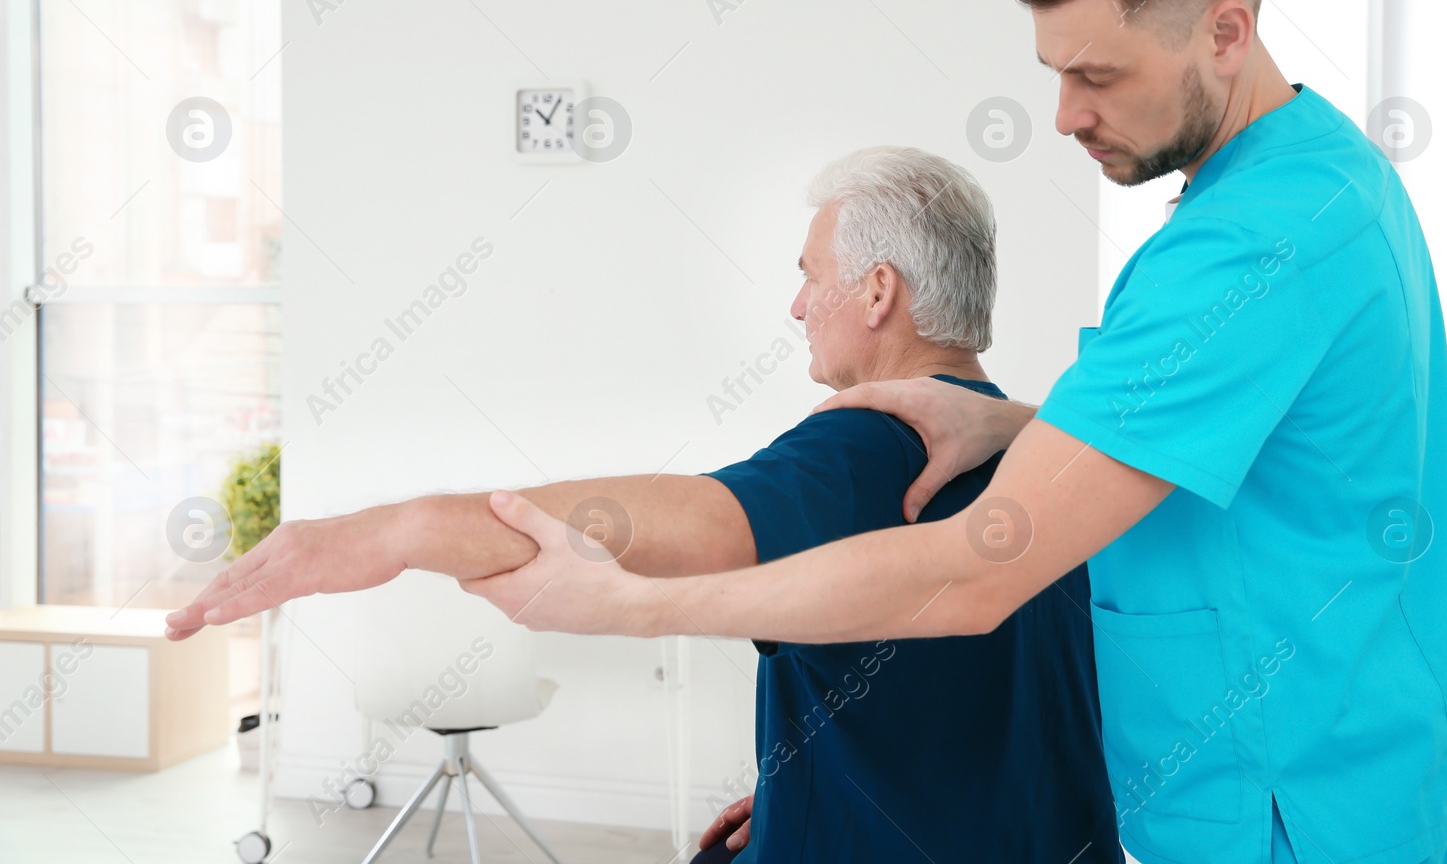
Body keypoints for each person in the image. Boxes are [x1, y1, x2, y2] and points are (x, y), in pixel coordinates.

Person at [429, 0, 1447, 864]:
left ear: (1223, 32)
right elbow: (1260, 433)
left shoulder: (1244, 249)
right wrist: (1023, 424)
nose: (1062, 114)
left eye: (1095, 74)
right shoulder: (1324, 170)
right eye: (1053, 70)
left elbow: (968, 575)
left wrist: (627, 602)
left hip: (1289, 788)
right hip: (1367, 740)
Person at [167, 147, 1123, 863]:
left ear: (878, 292)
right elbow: (1001, 696)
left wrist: (396, 530)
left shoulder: (866, 447)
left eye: (806, 272)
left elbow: (642, 523)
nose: (795, 305)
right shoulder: (1066, 457)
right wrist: (808, 782)